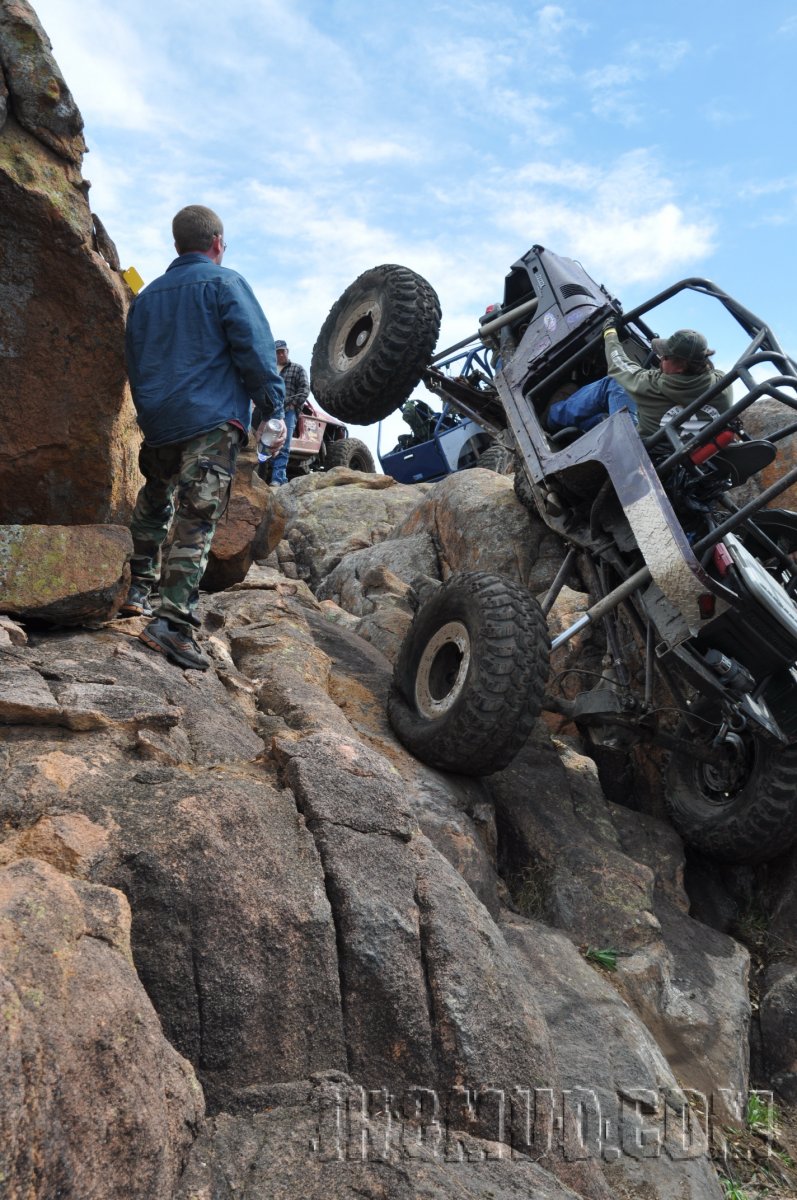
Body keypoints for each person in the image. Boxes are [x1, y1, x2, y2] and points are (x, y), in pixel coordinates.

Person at [121, 204, 286, 670]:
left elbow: (133, 360)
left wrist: (151, 410)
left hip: (159, 420)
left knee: (155, 499)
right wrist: (272, 408)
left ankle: (136, 589)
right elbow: (253, 349)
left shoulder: (146, 297)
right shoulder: (225, 283)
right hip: (209, 420)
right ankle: (171, 624)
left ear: (178, 245)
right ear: (217, 243)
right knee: (197, 515)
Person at [546, 322, 734, 439]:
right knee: (610, 416)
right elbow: (708, 371)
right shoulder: (723, 386)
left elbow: (618, 364)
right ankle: (579, 431)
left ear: (681, 366)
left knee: (614, 383)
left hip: (638, 447)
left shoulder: (651, 385)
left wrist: (610, 333)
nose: (660, 360)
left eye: (665, 357)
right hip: (671, 450)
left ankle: (553, 417)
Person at [261, 340, 310, 486]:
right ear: (274, 354)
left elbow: (305, 389)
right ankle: (260, 476)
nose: (281, 354)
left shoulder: (297, 368)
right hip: (267, 412)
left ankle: (277, 478)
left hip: (288, 411)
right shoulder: (270, 371)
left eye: (283, 351)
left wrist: (293, 403)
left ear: (288, 351)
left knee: (283, 444)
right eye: (277, 352)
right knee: (263, 444)